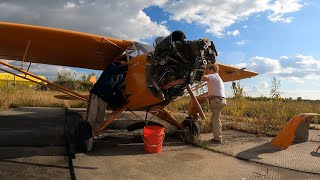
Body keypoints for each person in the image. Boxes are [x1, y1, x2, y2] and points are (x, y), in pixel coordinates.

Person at [188, 63, 226, 143]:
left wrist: (190, 74)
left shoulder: (213, 76)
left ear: (211, 69)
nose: (205, 71)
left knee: (215, 119)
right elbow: (211, 92)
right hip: (220, 100)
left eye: (206, 69)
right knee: (196, 100)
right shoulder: (217, 78)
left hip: (216, 100)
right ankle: (195, 117)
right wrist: (198, 97)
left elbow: (202, 78)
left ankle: (217, 139)